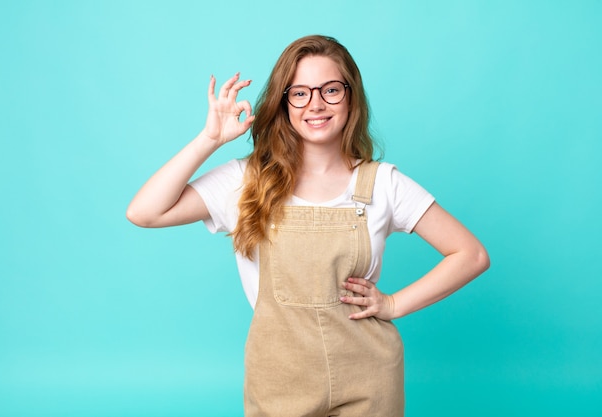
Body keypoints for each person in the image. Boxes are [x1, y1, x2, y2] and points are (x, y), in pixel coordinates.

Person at [127, 34, 489, 417]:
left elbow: (471, 254)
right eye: (299, 93)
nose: (315, 104)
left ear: (352, 97)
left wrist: (394, 304)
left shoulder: (382, 183)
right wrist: (209, 139)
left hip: (369, 378)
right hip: (279, 380)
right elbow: (145, 212)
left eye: (331, 90)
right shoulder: (246, 181)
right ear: (284, 103)